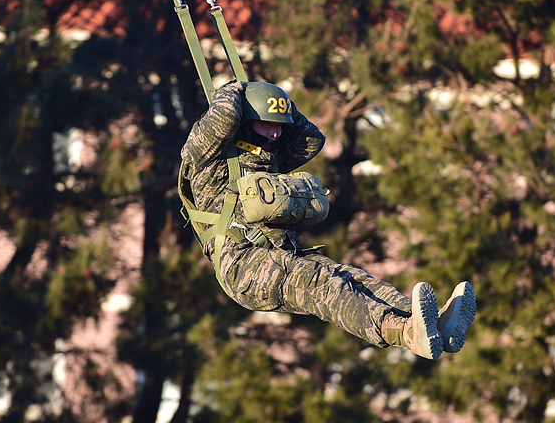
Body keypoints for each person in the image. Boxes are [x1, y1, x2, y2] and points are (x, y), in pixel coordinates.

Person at [179, 80, 476, 360]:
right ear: (245, 122)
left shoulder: (270, 160)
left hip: (281, 255)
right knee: (322, 285)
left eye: (280, 126)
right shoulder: (208, 160)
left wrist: (279, 104)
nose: (276, 134)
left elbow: (311, 140)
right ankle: (405, 333)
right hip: (243, 265)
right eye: (268, 123)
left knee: (354, 279)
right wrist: (237, 89)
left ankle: (428, 324)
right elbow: (222, 119)